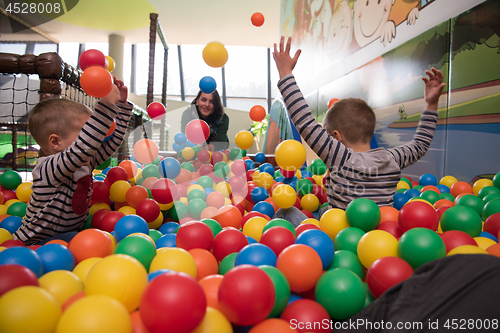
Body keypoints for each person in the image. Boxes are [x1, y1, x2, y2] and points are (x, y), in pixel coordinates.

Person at [272, 36, 445, 224]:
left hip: (339, 235)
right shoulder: (393, 159)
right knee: (323, 210)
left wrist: (285, 72)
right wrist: (431, 104)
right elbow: (420, 144)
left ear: (336, 137)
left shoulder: (340, 156)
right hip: (381, 235)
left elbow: (304, 121)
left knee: (285, 212)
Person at [12, 76, 132, 245]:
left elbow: (112, 142)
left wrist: (121, 105)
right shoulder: (48, 168)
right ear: (56, 142)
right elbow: (83, 147)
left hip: (65, 236)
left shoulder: (84, 162)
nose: (96, 138)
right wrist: (106, 105)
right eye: (84, 132)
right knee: (97, 242)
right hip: (34, 243)